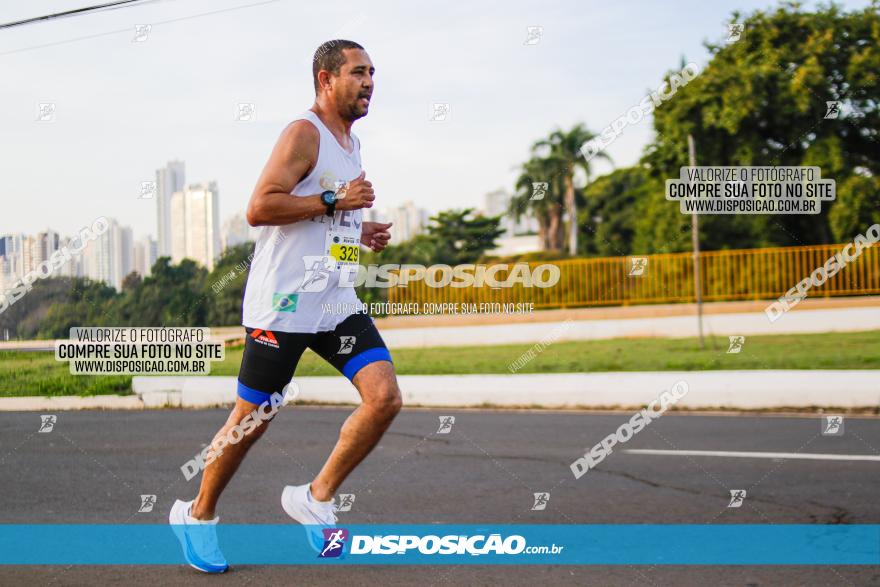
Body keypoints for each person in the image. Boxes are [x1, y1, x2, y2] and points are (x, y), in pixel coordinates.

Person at [170, 39, 401, 573]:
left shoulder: (351, 142)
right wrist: (334, 201)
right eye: (358, 72)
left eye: (373, 73)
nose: (369, 82)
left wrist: (356, 232)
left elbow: (325, 221)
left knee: (384, 397)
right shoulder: (304, 133)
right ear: (326, 79)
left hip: (335, 303)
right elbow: (261, 207)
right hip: (284, 305)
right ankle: (197, 515)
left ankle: (314, 497)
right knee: (253, 420)